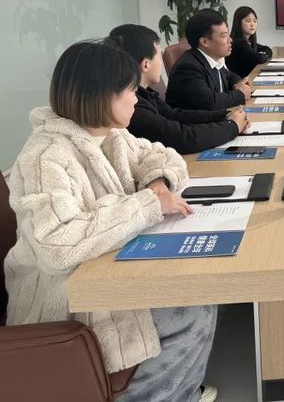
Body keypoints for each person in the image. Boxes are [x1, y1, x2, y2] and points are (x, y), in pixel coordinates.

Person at [3, 41, 219, 402]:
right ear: (102, 95)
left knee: (200, 296)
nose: (137, 98)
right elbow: (56, 245)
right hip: (68, 300)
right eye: (130, 90)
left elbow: (163, 156)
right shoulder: (45, 157)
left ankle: (182, 393)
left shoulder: (111, 134)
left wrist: (157, 182)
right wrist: (148, 204)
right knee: (191, 311)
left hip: (109, 271)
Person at [108, 24, 249, 154]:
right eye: (159, 55)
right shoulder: (132, 105)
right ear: (146, 64)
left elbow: (173, 115)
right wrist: (232, 126)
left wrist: (225, 116)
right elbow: (181, 138)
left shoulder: (144, 93)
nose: (161, 63)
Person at [166, 9, 252, 111]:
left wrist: (239, 83)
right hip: (196, 120)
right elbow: (211, 103)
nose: (230, 40)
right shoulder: (187, 68)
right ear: (204, 42)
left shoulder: (213, 59)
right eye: (224, 36)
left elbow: (229, 75)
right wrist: (240, 94)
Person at [227, 5, 273, 78]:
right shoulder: (238, 43)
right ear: (238, 23)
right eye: (248, 21)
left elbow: (267, 49)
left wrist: (264, 55)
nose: (252, 24)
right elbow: (259, 59)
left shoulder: (249, 42)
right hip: (239, 83)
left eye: (255, 21)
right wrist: (264, 55)